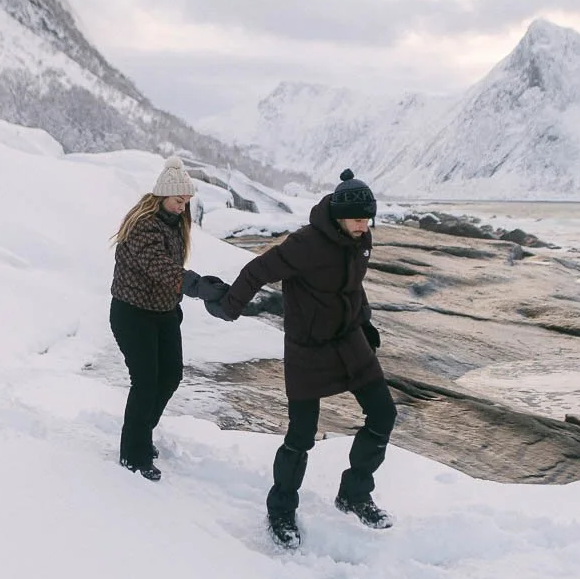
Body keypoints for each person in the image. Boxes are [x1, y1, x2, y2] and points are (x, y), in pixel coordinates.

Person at [210, 169, 396, 548]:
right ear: (340, 216)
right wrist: (231, 306)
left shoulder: (360, 240)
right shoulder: (305, 244)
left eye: (368, 219)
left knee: (383, 414)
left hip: (349, 340)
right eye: (359, 219)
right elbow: (258, 269)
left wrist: (365, 322)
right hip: (308, 348)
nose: (365, 226)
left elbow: (353, 287)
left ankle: (354, 494)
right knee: (301, 434)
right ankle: (281, 510)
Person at [109, 156, 199, 481]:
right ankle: (134, 454)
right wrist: (194, 284)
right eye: (178, 201)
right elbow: (158, 265)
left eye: (186, 202)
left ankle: (142, 433)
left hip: (163, 313)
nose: (182, 207)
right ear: (162, 195)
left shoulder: (175, 224)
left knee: (171, 375)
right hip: (132, 314)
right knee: (146, 382)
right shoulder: (143, 225)